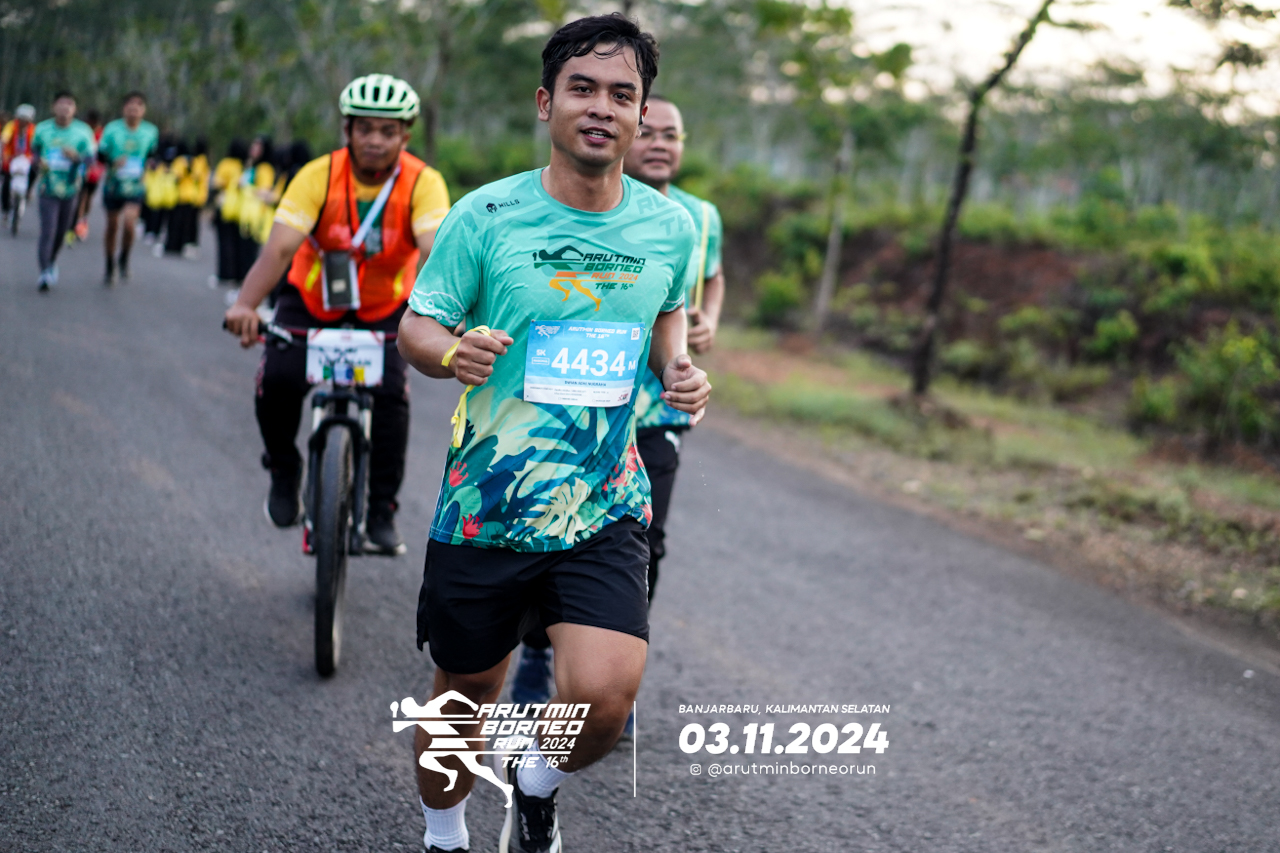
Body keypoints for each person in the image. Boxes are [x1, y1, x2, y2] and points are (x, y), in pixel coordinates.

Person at [396, 15, 711, 853]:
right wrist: (451, 351)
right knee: (466, 691)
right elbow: (417, 325)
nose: (602, 107)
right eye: (583, 88)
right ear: (547, 103)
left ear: (641, 114)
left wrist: (678, 368)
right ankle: (444, 833)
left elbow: (668, 312)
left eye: (622, 94)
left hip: (604, 498)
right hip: (490, 502)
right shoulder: (486, 215)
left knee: (605, 699)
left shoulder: (669, 228)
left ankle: (535, 778)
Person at [507, 94, 726, 734]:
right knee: (549, 527)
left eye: (672, 135)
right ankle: (536, 653)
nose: (660, 144)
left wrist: (707, 323)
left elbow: (707, 279)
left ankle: (608, 677)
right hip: (570, 409)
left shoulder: (697, 218)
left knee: (643, 539)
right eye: (650, 132)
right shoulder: (576, 204)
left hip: (653, 412)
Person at [222, 74, 450, 556]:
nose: (375, 140)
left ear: (405, 135)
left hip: (387, 305)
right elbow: (279, 249)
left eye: (387, 131)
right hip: (311, 299)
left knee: (391, 398)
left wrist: (446, 315)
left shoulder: (423, 182)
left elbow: (434, 251)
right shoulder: (317, 175)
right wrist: (245, 304)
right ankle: (284, 471)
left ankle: (381, 509)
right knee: (277, 379)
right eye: (364, 128)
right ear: (346, 130)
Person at [31, 91, 96, 290]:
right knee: (48, 230)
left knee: (61, 232)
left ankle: (51, 261)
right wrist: (38, 162)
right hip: (48, 187)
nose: (65, 107)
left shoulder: (83, 132)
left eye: (69, 104)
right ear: (54, 107)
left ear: (74, 109)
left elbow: (91, 159)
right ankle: (44, 272)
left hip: (71, 189)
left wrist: (76, 157)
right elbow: (34, 153)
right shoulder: (42, 129)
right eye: (61, 103)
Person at [99, 91, 159, 284]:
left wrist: (150, 165)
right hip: (114, 184)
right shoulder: (112, 129)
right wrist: (113, 162)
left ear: (144, 110)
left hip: (135, 186)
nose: (134, 109)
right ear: (124, 108)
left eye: (138, 105)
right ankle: (109, 264)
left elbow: (154, 156)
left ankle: (124, 257)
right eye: (130, 105)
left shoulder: (150, 131)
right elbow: (100, 156)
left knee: (129, 223)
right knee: (112, 225)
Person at [212, 139, 248, 285]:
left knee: (224, 241)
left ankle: (225, 274)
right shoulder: (244, 166)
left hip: (226, 207)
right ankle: (236, 273)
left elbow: (217, 183)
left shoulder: (225, 164)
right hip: (240, 210)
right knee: (237, 243)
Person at [2, 104, 37, 224]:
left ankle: (28, 190)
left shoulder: (33, 129)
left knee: (34, 171)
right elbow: (4, 139)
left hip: (27, 159)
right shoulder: (11, 126)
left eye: (26, 120)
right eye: (21, 119)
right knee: (6, 182)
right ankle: (6, 209)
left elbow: (36, 144)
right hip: (11, 158)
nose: (23, 122)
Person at [73, 109, 104, 240]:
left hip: (94, 172)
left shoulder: (101, 134)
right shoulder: (82, 131)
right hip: (81, 170)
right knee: (81, 196)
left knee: (88, 197)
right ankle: (77, 222)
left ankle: (83, 220)